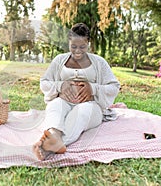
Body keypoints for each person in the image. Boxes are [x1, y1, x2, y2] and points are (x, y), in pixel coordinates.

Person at [32, 23, 120, 160]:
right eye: (74, 47)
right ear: (68, 43)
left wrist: (93, 88)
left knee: (81, 112)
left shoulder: (99, 62)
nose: (78, 51)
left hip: (90, 105)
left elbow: (114, 86)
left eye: (82, 47)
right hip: (63, 101)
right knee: (55, 107)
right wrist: (60, 86)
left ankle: (51, 144)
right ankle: (53, 134)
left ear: (88, 43)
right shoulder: (59, 60)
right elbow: (44, 82)